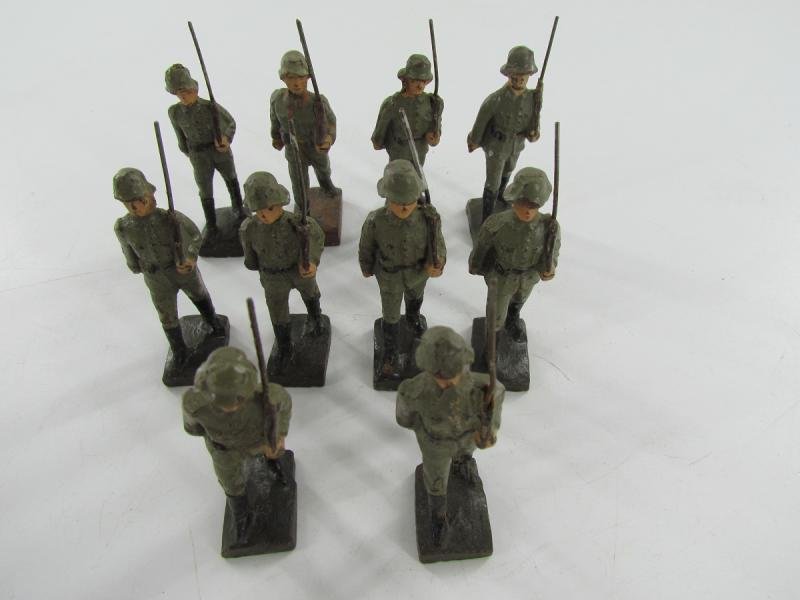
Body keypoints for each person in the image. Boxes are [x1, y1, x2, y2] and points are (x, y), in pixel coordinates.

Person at [396, 326, 504, 545]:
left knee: (465, 455)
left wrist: (490, 426)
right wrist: (425, 434)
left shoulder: (482, 387)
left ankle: (463, 464)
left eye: (457, 373)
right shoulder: (414, 391)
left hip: (467, 439)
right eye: (442, 376)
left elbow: (498, 395)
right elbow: (405, 418)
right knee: (436, 481)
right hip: (437, 445)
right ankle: (438, 518)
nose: (451, 381)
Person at [112, 167, 224, 363]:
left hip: (181, 270)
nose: (137, 207)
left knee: (198, 294)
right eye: (130, 204)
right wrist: (135, 265)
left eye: (141, 201)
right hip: (155, 277)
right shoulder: (123, 227)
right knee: (166, 313)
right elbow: (129, 253)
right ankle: (179, 350)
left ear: (149, 197)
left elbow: (195, 236)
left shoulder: (170, 218)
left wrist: (190, 258)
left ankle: (213, 321)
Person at [183, 346, 292, 545]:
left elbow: (284, 406)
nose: (231, 406)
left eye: (239, 398)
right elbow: (194, 428)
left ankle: (274, 467)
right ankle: (241, 517)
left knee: (275, 453)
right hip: (224, 451)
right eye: (222, 400)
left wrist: (279, 435)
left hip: (259, 440)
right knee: (231, 484)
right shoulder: (194, 404)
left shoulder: (267, 395)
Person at [358, 160, 445, 374]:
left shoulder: (429, 220)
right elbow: (366, 246)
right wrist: (366, 266)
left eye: (410, 201)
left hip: (418, 273)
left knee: (415, 298)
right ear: (387, 198)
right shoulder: (376, 221)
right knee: (390, 315)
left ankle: (413, 318)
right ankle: (390, 353)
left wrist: (438, 262)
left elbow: (438, 244)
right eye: (398, 201)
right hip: (390, 277)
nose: (405, 207)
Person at [239, 171, 325, 364]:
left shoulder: (298, 223)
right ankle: (284, 346)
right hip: (272, 276)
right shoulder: (249, 228)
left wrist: (311, 261)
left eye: (270, 208)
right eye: (258, 210)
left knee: (310, 294)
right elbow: (250, 256)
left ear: (279, 203)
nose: (264, 214)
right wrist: (255, 266)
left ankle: (316, 319)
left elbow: (317, 237)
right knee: (277, 310)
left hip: (298, 270)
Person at [468, 167, 560, 341]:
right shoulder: (497, 224)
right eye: (523, 204)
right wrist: (476, 264)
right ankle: (492, 342)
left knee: (519, 301)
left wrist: (550, 267)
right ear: (514, 201)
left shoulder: (549, 228)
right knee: (495, 315)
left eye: (533, 206)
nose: (527, 211)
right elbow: (482, 246)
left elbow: (553, 250)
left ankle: (513, 319)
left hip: (528, 277)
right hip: (502, 277)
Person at [165, 64, 245, 235]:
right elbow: (180, 137)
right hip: (198, 155)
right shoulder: (174, 113)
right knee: (205, 188)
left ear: (194, 89)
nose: (184, 96)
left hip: (219, 151)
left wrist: (226, 139)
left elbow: (230, 123)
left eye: (186, 91)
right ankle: (211, 223)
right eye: (179, 93)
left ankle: (239, 210)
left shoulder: (210, 106)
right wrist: (189, 152)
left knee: (231, 179)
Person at [467, 46, 541, 222]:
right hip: (497, 145)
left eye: (523, 76)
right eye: (515, 76)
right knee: (493, 179)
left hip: (516, 145)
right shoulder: (497, 98)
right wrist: (474, 140)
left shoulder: (532, 99)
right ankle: (487, 217)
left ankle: (500, 200)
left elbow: (533, 123)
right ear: (509, 75)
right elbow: (482, 118)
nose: (519, 80)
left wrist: (533, 134)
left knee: (508, 170)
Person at [269, 50, 338, 204]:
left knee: (324, 171)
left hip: (315, 145)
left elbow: (331, 122)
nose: (297, 83)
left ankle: (327, 187)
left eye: (301, 77)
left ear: (308, 77)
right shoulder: (277, 100)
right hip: (293, 148)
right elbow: (275, 120)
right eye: (291, 77)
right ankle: (303, 208)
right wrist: (276, 137)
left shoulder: (318, 102)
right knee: (299, 182)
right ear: (283, 78)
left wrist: (328, 139)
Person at [371, 54, 443, 165]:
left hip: (419, 155)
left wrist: (434, 135)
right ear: (406, 80)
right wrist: (379, 141)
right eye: (415, 81)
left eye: (423, 81)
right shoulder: (392, 103)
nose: (420, 86)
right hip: (398, 154)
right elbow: (378, 140)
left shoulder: (431, 103)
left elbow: (433, 137)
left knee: (416, 175)